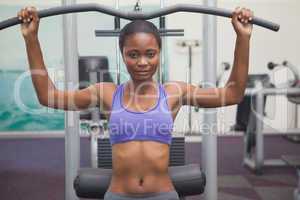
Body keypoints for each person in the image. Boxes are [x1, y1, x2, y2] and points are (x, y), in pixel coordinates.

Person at [18, 6, 253, 200]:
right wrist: (31, 39)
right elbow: (48, 96)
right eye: (133, 54)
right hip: (118, 195)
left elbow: (232, 95)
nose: (142, 62)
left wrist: (243, 38)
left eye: (150, 54)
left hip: (163, 194)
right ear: (123, 55)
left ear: (159, 54)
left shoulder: (174, 92)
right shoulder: (106, 93)